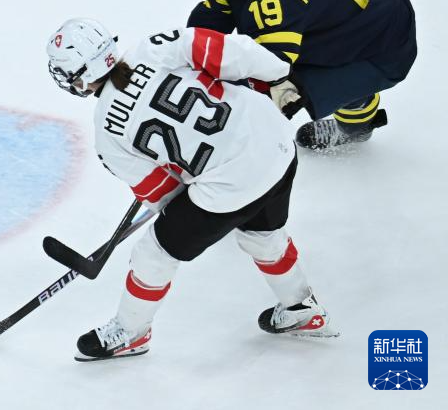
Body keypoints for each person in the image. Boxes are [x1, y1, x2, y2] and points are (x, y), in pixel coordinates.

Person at [46, 18, 337, 362]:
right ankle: (300, 308)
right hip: (276, 142)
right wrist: (278, 75)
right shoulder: (153, 47)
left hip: (232, 186)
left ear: (79, 76)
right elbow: (233, 51)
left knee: (154, 254)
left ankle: (131, 332)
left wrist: (193, 189)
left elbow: (163, 194)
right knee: (261, 232)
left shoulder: (107, 135)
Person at [188, 0, 416, 151]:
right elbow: (215, 14)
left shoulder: (276, 2)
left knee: (303, 84)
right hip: (365, 6)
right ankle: (354, 91)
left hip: (383, 43)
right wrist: (186, 54)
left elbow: (267, 81)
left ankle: (358, 121)